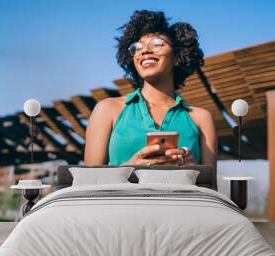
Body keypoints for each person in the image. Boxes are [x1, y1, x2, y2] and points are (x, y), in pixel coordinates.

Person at [84, 10, 217, 183]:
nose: (144, 50)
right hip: (119, 209)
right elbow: (87, 184)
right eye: (137, 47)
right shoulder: (107, 109)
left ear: (177, 56)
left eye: (156, 44)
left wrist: (193, 170)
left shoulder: (201, 118)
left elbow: (211, 189)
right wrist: (128, 170)